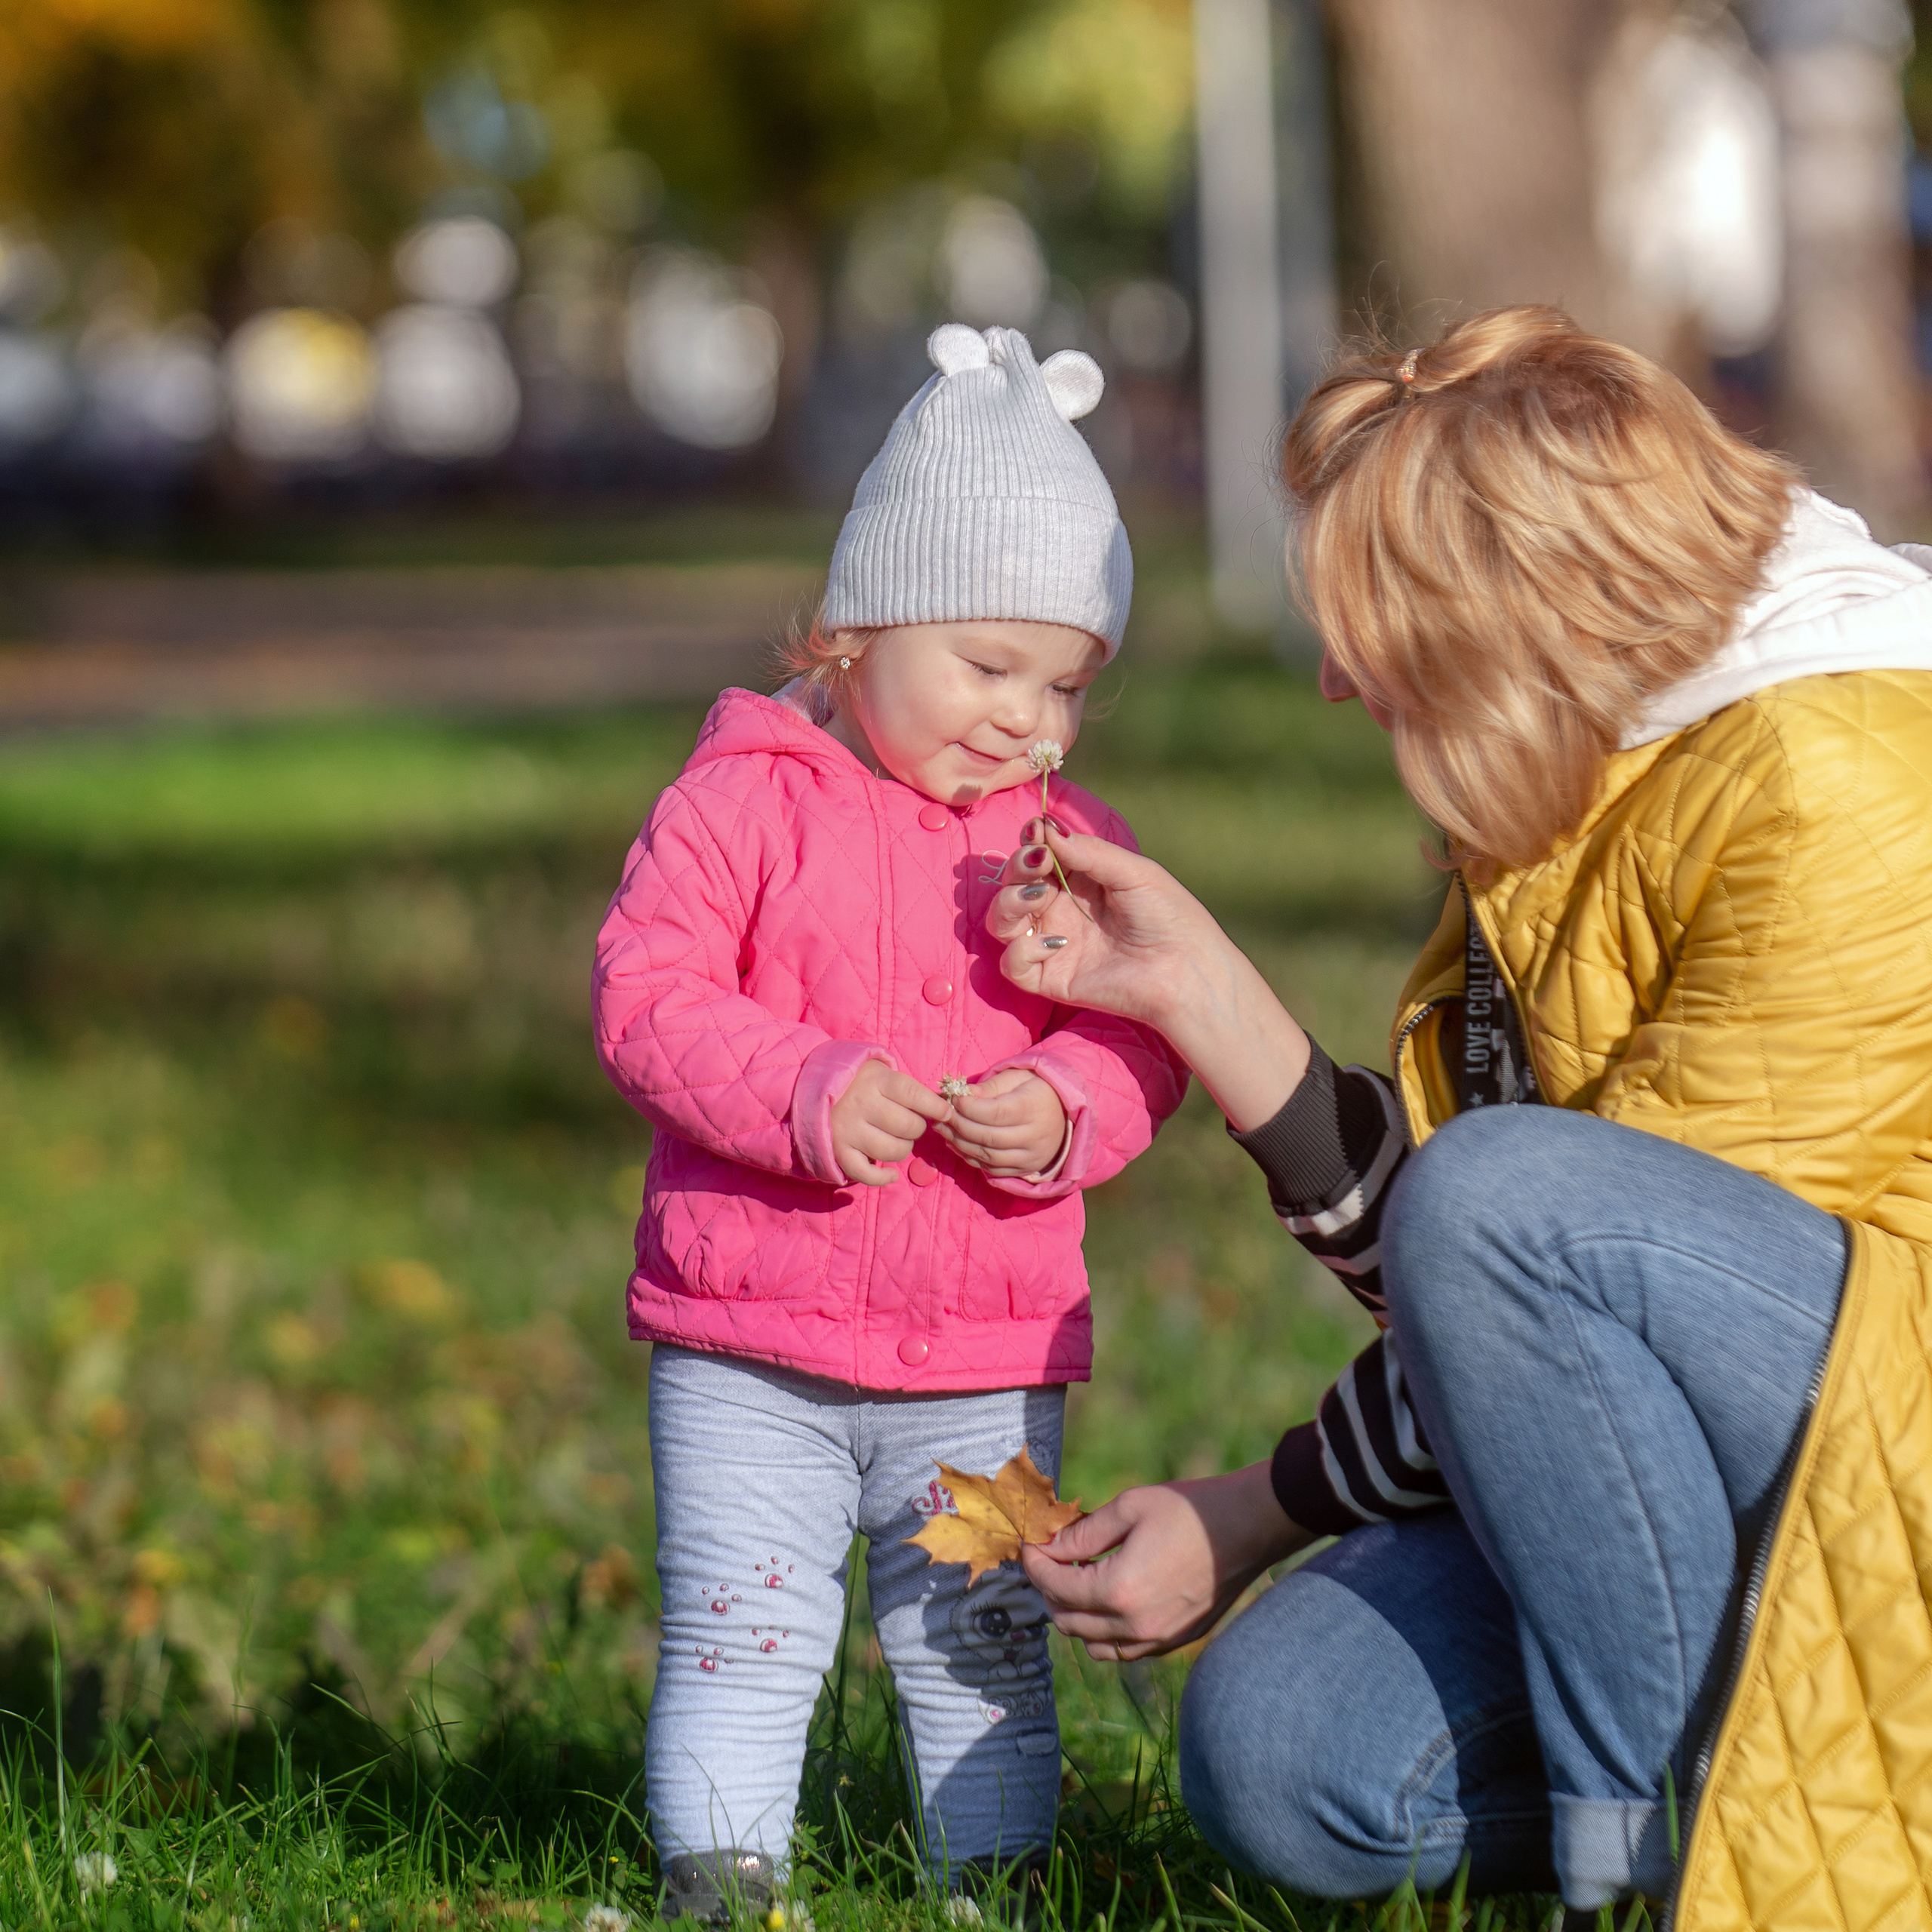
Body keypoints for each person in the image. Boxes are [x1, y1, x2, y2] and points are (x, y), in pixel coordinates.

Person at [983, 306, 1932, 1923]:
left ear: (1528, 608)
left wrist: (1263, 1502)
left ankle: (1627, 1870)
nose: (1343, 682)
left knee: (1497, 1196)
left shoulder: (1833, 778)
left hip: (1881, 1450)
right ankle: (1741, 1800)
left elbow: (1517, 1245)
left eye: (1377, 626)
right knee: (1286, 1747)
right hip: (1739, 1479)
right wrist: (1203, 997)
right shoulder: (1595, 782)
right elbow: (1506, 1326)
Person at [593, 322, 1188, 1923]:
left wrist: (1058, 1110)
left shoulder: (1066, 847)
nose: (1028, 719)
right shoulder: (739, 798)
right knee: (743, 1622)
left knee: (979, 1635)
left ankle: (989, 1879)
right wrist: (799, 1086)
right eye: (988, 666)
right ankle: (722, 1880)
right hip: (748, 1340)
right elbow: (645, 991)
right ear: (853, 630)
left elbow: (1141, 1041)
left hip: (981, 1344)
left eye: (1065, 680)